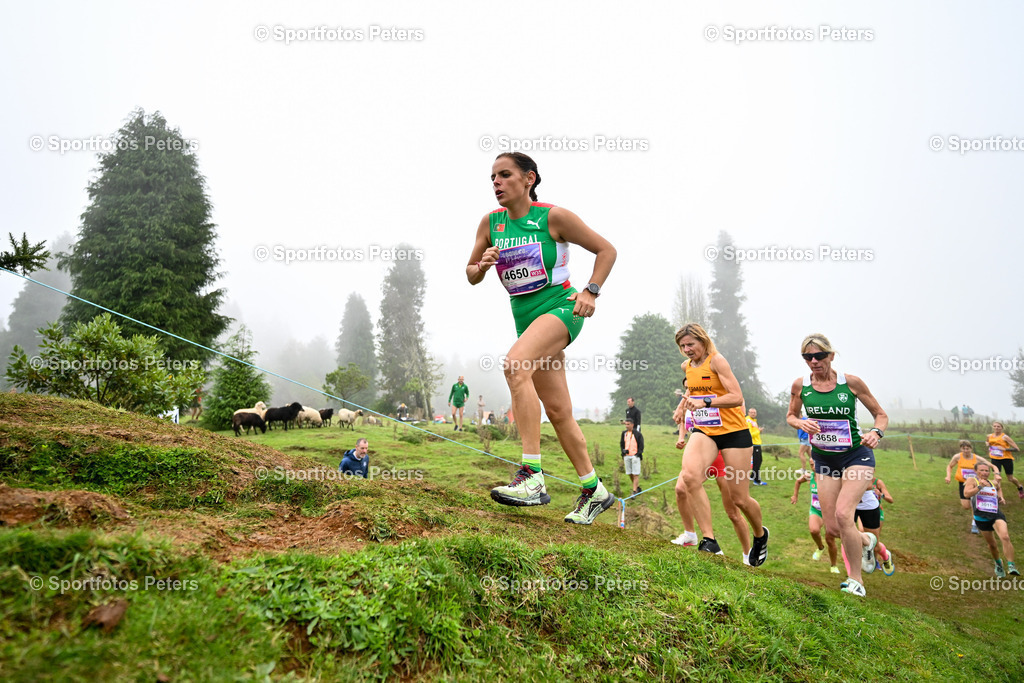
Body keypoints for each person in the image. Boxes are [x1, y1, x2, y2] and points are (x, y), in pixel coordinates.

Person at [468, 152, 617, 524]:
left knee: (515, 366)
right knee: (559, 411)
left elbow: (607, 250)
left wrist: (591, 291)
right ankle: (593, 489)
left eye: (504, 175)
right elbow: (470, 273)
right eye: (492, 178)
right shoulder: (491, 223)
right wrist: (483, 265)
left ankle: (532, 476)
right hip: (526, 320)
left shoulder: (553, 217)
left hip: (562, 308)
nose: (496, 183)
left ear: (529, 179)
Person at [786, 333, 887, 597]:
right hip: (824, 459)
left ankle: (856, 581)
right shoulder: (801, 386)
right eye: (808, 357)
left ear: (831, 356)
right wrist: (800, 423)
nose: (814, 361)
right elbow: (791, 416)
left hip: (856, 455)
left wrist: (876, 433)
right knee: (832, 528)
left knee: (844, 515)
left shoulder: (850, 383)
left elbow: (881, 415)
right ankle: (867, 540)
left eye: (819, 356)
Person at [672, 323, 768, 564]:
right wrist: (681, 407)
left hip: (734, 433)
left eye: (690, 344)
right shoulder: (687, 366)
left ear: (703, 341)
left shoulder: (717, 361)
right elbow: (692, 391)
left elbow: (737, 397)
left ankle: (760, 535)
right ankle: (709, 540)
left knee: (739, 500)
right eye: (682, 346)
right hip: (705, 430)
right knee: (689, 477)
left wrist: (706, 402)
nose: (686, 350)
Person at [963, 462, 1019, 577]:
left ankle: (1011, 565)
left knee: (1005, 536)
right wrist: (980, 487)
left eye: (987, 470)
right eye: (982, 470)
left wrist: (1001, 497)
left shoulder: (992, 482)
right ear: (976, 471)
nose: (984, 473)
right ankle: (998, 563)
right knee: (992, 545)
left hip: (995, 513)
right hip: (981, 516)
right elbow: (966, 494)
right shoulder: (973, 481)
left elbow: (998, 488)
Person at [791, 469, 841, 574]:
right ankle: (820, 548)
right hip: (816, 510)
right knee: (814, 530)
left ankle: (833, 565)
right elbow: (798, 481)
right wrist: (795, 495)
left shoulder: (830, 477)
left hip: (829, 513)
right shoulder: (810, 476)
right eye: (811, 464)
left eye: (814, 463)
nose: (813, 466)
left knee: (830, 540)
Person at [945, 440, 1001, 533]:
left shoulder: (977, 458)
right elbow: (949, 466)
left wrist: (997, 474)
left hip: (976, 483)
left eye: (968, 448)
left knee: (974, 504)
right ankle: (976, 517)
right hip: (963, 483)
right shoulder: (957, 457)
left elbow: (993, 466)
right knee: (966, 506)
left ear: (971, 448)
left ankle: (975, 524)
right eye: (964, 449)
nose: (966, 450)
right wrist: (948, 476)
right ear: (961, 449)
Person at [986, 422, 1022, 499]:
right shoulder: (989, 436)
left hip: (1006, 459)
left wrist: (1005, 449)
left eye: (998, 426)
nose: (996, 428)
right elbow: (988, 443)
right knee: (997, 477)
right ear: (992, 427)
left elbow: (1017, 449)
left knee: (1010, 478)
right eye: (995, 426)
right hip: (995, 459)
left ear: (1002, 428)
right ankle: (999, 497)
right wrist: (987, 444)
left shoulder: (1005, 437)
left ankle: (1020, 487)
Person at [620, 418, 644, 495]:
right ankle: (637, 488)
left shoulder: (638, 434)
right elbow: (621, 443)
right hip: (626, 456)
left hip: (635, 456)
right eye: (626, 424)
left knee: (635, 474)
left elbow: (641, 445)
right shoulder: (624, 433)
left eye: (628, 424)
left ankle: (634, 492)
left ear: (632, 425)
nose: (626, 426)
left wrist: (637, 454)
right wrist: (623, 452)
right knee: (630, 473)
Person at [747, 408, 766, 486]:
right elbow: (749, 434)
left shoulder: (754, 421)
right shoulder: (748, 421)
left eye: (755, 412)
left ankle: (752, 476)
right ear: (748, 413)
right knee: (757, 461)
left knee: (757, 461)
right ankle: (757, 480)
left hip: (757, 443)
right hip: (754, 444)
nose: (753, 414)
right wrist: (759, 431)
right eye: (752, 412)